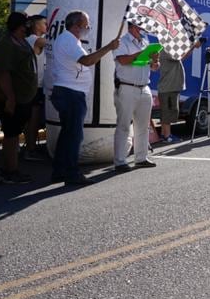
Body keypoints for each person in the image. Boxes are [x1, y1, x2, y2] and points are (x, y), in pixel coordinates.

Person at [49, 11, 120, 186]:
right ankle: (72, 174)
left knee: (68, 134)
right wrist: (108, 47)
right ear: (76, 26)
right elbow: (87, 61)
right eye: (86, 25)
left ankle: (60, 171)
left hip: (70, 91)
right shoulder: (68, 40)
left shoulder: (70, 40)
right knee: (74, 135)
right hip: (70, 93)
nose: (88, 28)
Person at [0, 12, 38, 184]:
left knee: (15, 132)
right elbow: (3, 74)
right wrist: (10, 98)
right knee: (11, 133)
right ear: (19, 26)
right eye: (26, 24)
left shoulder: (21, 41)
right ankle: (10, 170)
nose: (29, 27)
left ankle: (12, 167)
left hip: (23, 97)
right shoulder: (6, 45)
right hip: (9, 98)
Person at [113, 22, 159, 172]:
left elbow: (152, 66)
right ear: (132, 27)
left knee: (143, 126)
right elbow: (123, 60)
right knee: (124, 125)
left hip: (144, 87)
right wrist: (143, 54)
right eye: (141, 27)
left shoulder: (145, 42)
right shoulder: (122, 42)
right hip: (127, 86)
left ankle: (141, 158)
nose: (144, 30)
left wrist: (155, 61)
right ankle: (120, 161)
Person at [158, 37, 202, 143]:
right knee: (167, 112)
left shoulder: (170, 51)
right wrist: (192, 45)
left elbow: (182, 57)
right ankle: (167, 136)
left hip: (172, 87)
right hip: (167, 87)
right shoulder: (165, 49)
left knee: (171, 111)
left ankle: (165, 134)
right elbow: (179, 56)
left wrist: (192, 48)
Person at [23, 14, 48, 161]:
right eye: (44, 23)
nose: (47, 26)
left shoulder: (30, 40)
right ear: (36, 25)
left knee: (33, 119)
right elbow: (52, 43)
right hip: (35, 86)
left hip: (35, 84)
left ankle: (30, 147)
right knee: (33, 119)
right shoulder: (35, 40)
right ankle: (30, 149)